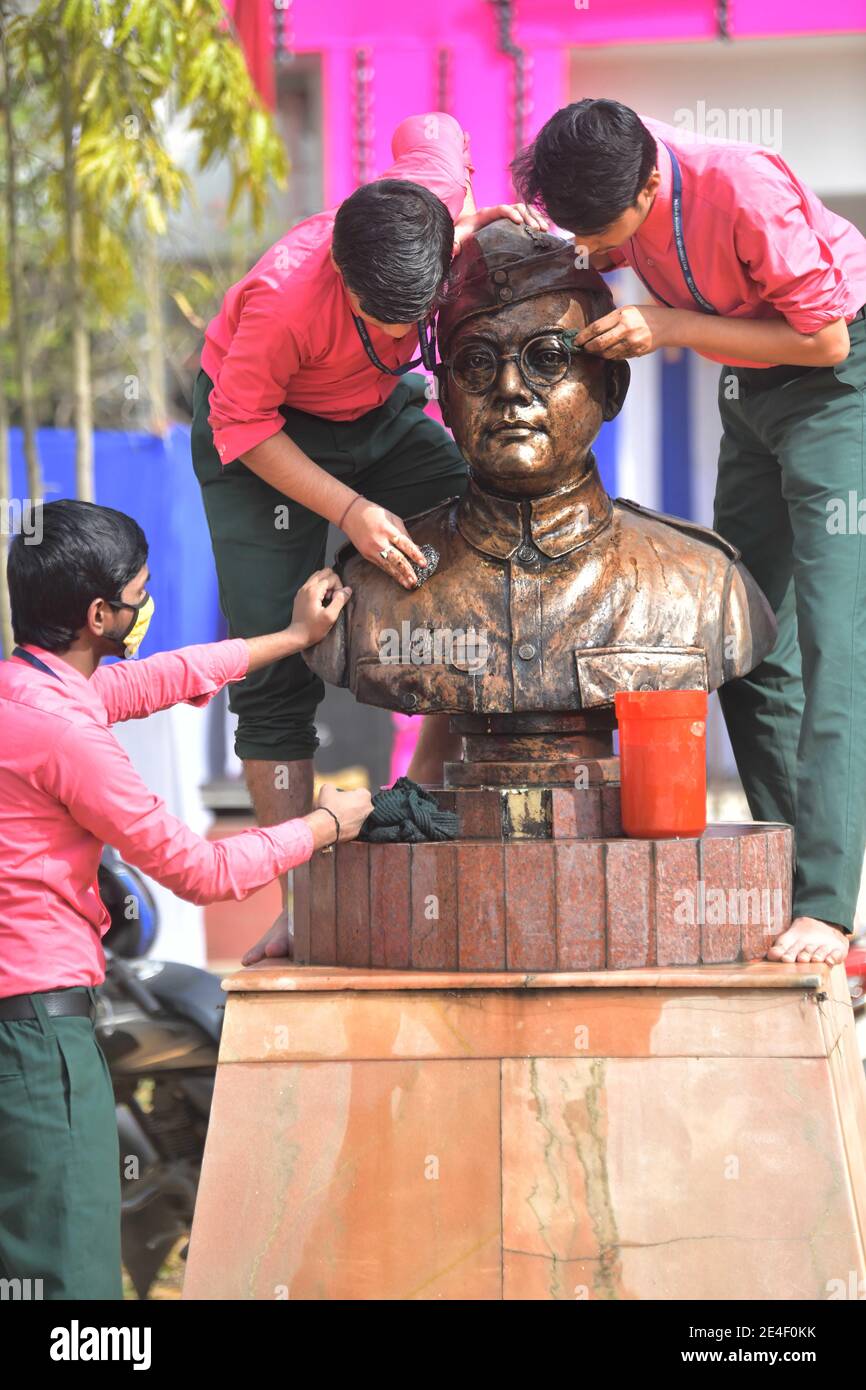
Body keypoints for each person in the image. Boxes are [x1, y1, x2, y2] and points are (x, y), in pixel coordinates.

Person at [512, 99, 866, 968]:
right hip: (749, 392)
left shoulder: (741, 189)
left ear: (649, 183)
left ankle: (828, 908)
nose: (599, 247)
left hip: (837, 378)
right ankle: (785, 878)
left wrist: (667, 330)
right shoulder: (610, 174)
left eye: (606, 231)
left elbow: (819, 339)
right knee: (744, 632)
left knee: (835, 639)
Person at [192, 110, 545, 965]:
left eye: (411, 319)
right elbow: (239, 421)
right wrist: (349, 511)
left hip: (380, 420)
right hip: (264, 442)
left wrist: (487, 216)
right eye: (377, 320)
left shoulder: (431, 210)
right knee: (271, 661)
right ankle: (302, 904)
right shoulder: (284, 296)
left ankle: (413, 806)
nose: (398, 337)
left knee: (496, 545)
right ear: (340, 274)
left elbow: (432, 126)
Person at [0, 498, 372, 1299]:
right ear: (101, 614)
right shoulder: (69, 737)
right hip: (34, 1038)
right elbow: (199, 872)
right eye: (139, 593)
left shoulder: (25, 691)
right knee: (72, 1290)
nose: (147, 603)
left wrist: (289, 640)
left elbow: (149, 679)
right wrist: (324, 825)